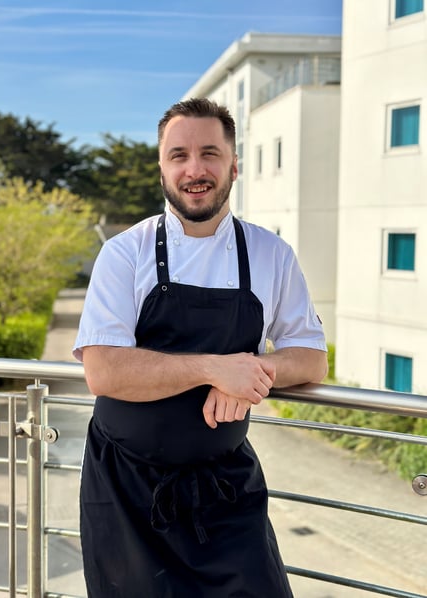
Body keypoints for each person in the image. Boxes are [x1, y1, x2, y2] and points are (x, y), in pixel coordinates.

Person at [73, 97, 328, 597]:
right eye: (179, 156)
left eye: (210, 153)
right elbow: (104, 371)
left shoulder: (271, 254)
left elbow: (311, 358)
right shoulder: (124, 253)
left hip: (227, 489)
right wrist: (214, 369)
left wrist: (251, 371)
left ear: (234, 165)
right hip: (125, 493)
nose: (195, 170)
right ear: (162, 169)